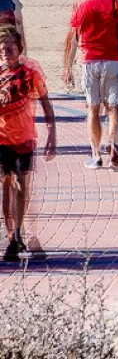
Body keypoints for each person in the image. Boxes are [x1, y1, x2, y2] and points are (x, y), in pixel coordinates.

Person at [64, 0, 118, 170]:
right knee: (113, 108)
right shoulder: (117, 3)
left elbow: (73, 39)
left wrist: (67, 67)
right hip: (113, 60)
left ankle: (96, 155)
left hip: (89, 60)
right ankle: (113, 146)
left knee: (93, 108)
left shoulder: (80, 5)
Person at [0, 26, 56, 262]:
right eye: (2, 50)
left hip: (24, 138)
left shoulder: (30, 72)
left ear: (19, 49)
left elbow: (45, 101)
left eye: (10, 49)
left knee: (22, 184)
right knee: (6, 184)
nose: (6, 54)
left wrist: (52, 133)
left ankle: (19, 232)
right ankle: (10, 234)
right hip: (2, 137)